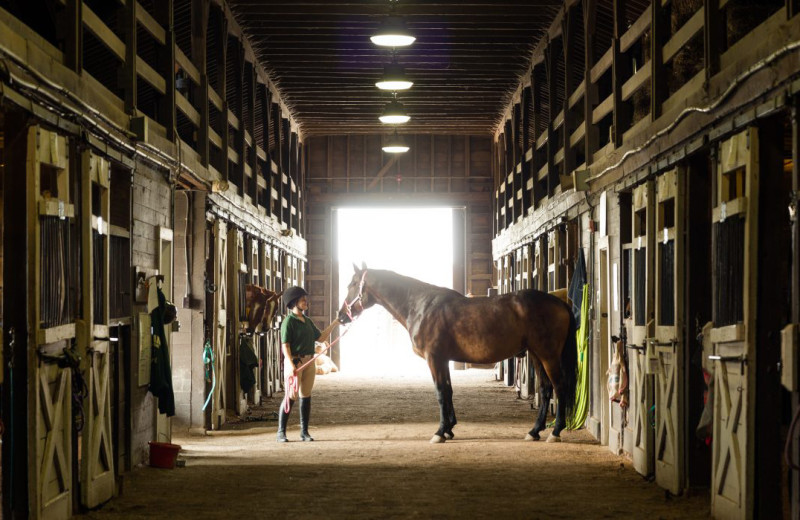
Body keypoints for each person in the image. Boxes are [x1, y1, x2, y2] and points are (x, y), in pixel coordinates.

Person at [277, 286, 326, 442]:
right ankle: (281, 432)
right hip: (296, 363)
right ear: (294, 302)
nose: (306, 302)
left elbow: (322, 337)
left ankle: (304, 432)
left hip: (309, 362)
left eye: (305, 299)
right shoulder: (288, 322)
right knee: (290, 396)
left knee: (306, 395)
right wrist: (291, 366)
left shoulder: (307, 321)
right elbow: (285, 345)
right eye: (303, 300)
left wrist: (336, 323)